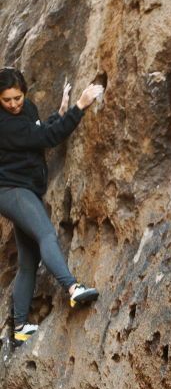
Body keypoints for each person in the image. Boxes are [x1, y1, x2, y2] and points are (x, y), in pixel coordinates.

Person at [0, 68, 104, 346]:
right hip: (11, 191)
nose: (13, 104)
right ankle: (72, 287)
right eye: (6, 100)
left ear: (24, 92)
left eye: (17, 97)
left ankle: (20, 326)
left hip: (24, 189)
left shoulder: (27, 109)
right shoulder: (5, 123)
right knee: (46, 233)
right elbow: (46, 139)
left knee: (28, 261)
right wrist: (80, 106)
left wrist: (59, 112)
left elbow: (37, 132)